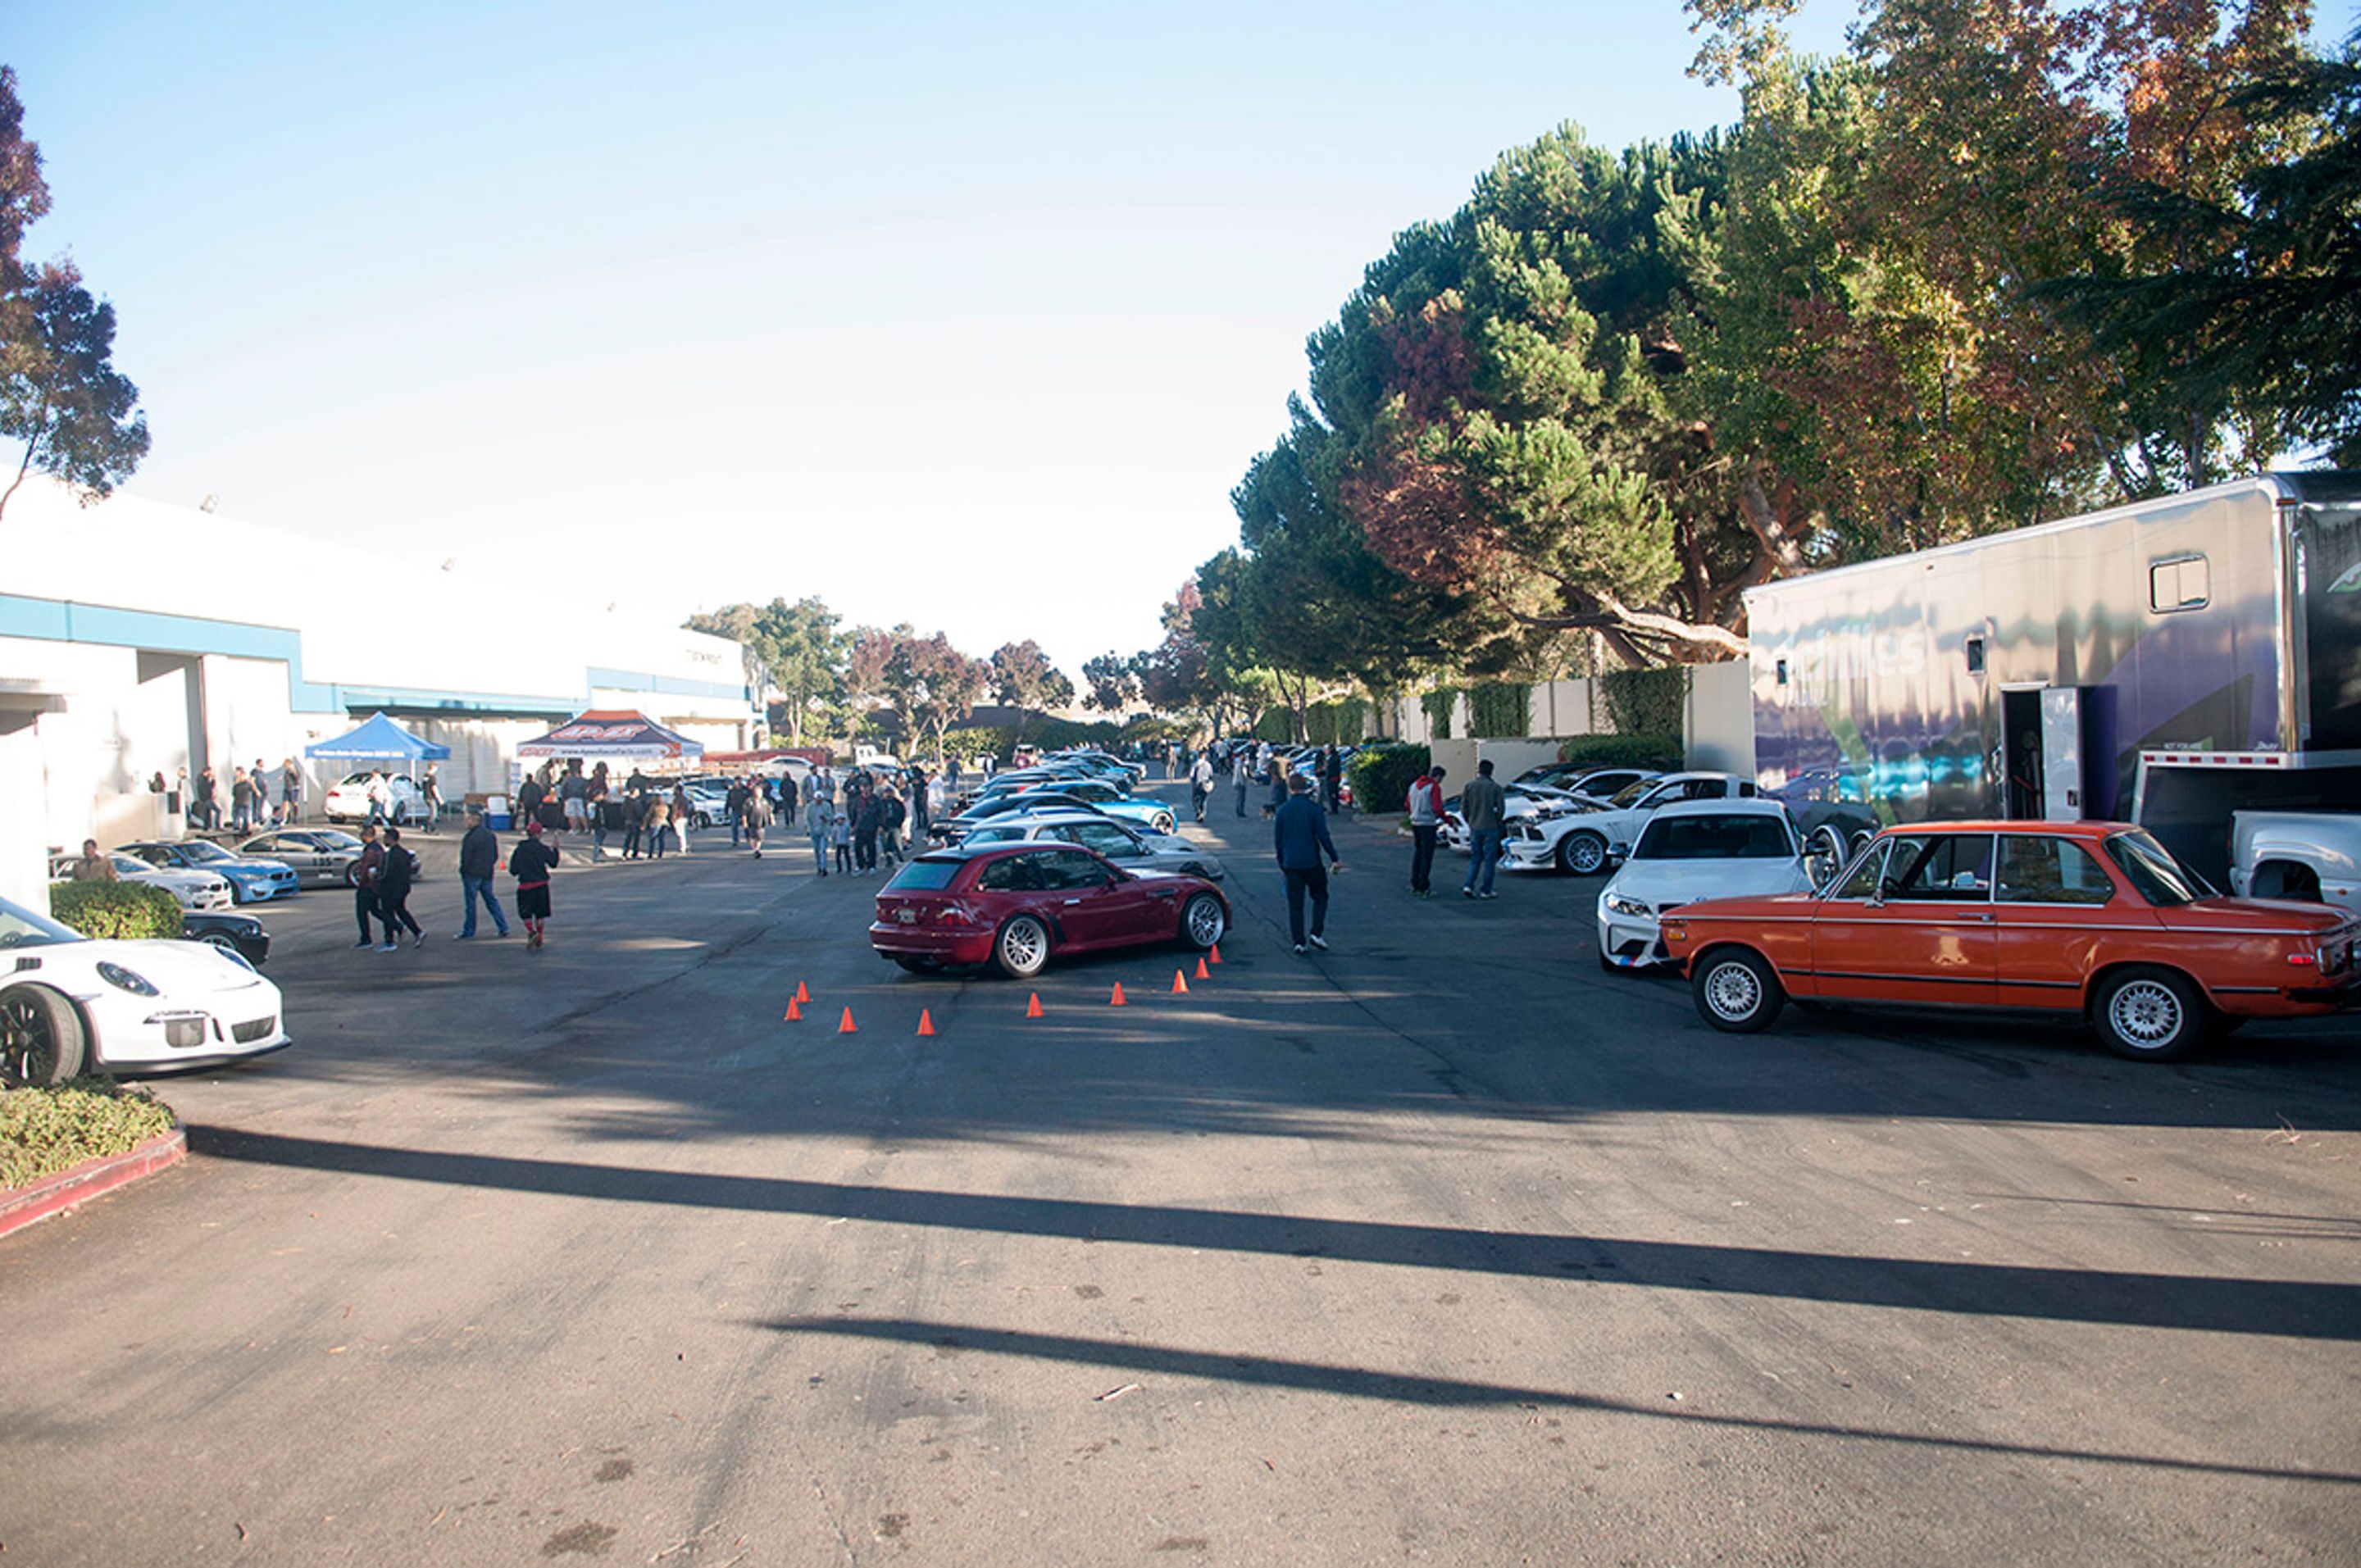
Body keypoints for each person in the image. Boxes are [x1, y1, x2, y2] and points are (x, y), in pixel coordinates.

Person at [1274, 772, 1344, 955]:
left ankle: (1299, 941)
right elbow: (1323, 836)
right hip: (1311, 861)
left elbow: (1278, 841)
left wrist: (1282, 862)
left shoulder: (1282, 811)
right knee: (1320, 897)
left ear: (1290, 788)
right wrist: (1334, 857)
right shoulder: (1314, 809)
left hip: (1291, 863)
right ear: (1305, 787)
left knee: (1295, 904)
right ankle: (1316, 932)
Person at [456, 808, 510, 938]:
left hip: (472, 873)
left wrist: (463, 870)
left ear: (475, 820)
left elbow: (466, 857)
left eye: (468, 819)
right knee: (491, 900)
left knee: (471, 904)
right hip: (487, 873)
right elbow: (495, 855)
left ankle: (469, 931)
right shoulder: (489, 835)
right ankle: (503, 927)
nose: (466, 821)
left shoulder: (470, 837)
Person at [508, 819, 560, 952]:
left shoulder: (519, 850)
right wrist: (555, 849)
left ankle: (531, 931)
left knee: (526, 914)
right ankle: (540, 935)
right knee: (540, 914)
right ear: (538, 834)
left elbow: (513, 870)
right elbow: (553, 863)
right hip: (541, 885)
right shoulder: (542, 849)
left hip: (525, 885)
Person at [1460, 758, 1508, 899]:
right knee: (1489, 859)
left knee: (1475, 858)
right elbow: (1501, 809)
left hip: (1475, 826)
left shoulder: (1470, 786)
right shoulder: (1495, 788)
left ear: (1479, 770)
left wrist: (1469, 819)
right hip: (1491, 826)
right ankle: (1486, 889)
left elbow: (1464, 807)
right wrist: (1497, 820)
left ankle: (1469, 884)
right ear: (1491, 771)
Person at [1405, 763, 1447, 899]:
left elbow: (1407, 804)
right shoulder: (1433, 787)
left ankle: (1414, 883)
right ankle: (1424, 886)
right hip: (1428, 824)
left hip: (1415, 822)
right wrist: (1448, 821)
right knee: (1427, 857)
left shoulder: (1414, 785)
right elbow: (1437, 808)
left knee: (1418, 854)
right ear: (1437, 776)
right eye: (1441, 779)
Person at [351, 823, 386, 949]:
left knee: (362, 912)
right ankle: (396, 925)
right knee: (375, 910)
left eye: (361, 835)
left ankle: (366, 939)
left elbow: (367, 868)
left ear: (366, 836)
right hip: (375, 885)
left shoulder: (371, 850)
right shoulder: (378, 848)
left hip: (367, 886)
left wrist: (361, 882)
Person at [805, 789, 834, 875]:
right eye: (817, 800)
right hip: (814, 831)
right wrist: (809, 829)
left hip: (824, 831)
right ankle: (818, 867)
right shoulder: (810, 807)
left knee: (823, 850)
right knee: (817, 850)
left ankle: (823, 868)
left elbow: (831, 817)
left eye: (820, 800)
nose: (818, 801)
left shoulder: (826, 806)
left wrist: (826, 819)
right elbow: (807, 819)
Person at [742, 780, 771, 858]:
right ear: (754, 793)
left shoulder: (764, 801)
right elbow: (744, 812)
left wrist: (771, 819)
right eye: (758, 792)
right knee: (752, 837)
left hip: (761, 822)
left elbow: (769, 810)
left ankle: (757, 849)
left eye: (761, 792)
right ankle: (754, 849)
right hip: (751, 822)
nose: (760, 794)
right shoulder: (749, 801)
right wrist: (744, 822)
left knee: (759, 838)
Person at [1190, 750, 1214, 823]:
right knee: (1204, 800)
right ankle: (1202, 814)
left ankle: (1198, 811)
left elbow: (1191, 775)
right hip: (1205, 784)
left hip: (1197, 784)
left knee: (1195, 800)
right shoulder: (1208, 765)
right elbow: (1211, 775)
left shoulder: (1195, 764)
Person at [671, 783, 694, 856]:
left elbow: (676, 809)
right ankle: (687, 846)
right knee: (685, 833)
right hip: (685, 817)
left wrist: (674, 818)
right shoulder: (685, 798)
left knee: (681, 833)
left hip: (679, 817)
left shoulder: (677, 799)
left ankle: (683, 847)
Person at [281, 758, 305, 825]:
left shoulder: (293, 768)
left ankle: (294, 817)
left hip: (293, 788)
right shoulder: (287, 770)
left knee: (294, 803)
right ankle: (285, 818)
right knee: (285, 803)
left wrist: (293, 772)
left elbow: (297, 777)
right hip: (287, 787)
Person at [421, 766, 444, 831]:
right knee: (434, 814)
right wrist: (439, 798)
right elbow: (434, 788)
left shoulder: (425, 776)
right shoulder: (432, 777)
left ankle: (426, 826)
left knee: (431, 813)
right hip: (431, 797)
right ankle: (430, 828)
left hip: (426, 796)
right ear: (432, 768)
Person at [831, 809, 853, 875]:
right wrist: (833, 844)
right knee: (838, 856)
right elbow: (833, 836)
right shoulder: (835, 828)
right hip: (838, 843)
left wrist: (849, 841)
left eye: (841, 819)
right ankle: (839, 868)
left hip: (845, 843)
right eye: (838, 820)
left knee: (847, 856)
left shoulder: (846, 826)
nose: (840, 821)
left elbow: (849, 833)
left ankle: (849, 868)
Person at [1232, 749, 1250, 817]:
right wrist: (1243, 783)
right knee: (1241, 798)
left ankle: (1239, 811)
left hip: (1238, 782)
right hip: (1240, 783)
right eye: (1244, 756)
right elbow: (1240, 774)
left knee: (1240, 798)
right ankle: (1240, 812)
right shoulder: (1240, 764)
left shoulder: (1238, 763)